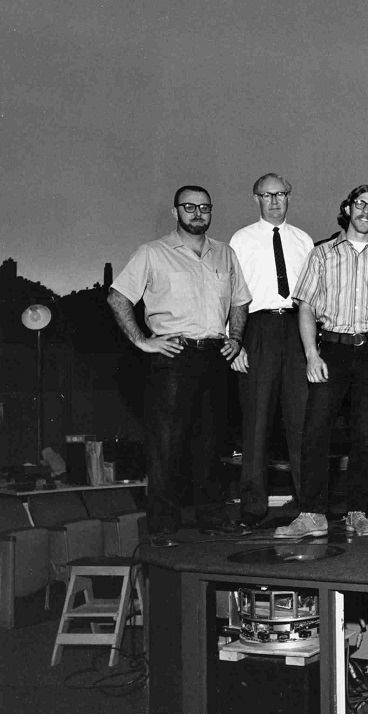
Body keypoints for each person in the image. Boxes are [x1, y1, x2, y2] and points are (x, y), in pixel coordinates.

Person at [108, 185, 251, 535]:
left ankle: (212, 518)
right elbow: (117, 298)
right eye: (189, 207)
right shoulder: (152, 253)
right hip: (173, 356)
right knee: (167, 445)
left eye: (204, 207)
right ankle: (163, 525)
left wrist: (235, 338)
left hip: (215, 356)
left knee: (212, 443)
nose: (197, 213)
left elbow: (240, 300)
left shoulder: (225, 253)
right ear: (175, 212)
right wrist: (142, 340)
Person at [276, 185, 368, 539]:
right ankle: (312, 514)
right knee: (315, 432)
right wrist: (311, 354)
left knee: (365, 436)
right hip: (332, 350)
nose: (366, 211)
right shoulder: (321, 254)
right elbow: (306, 307)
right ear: (348, 208)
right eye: (361, 204)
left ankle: (357, 512)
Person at [229, 173, 314, 529]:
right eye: (267, 195)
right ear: (256, 199)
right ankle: (253, 506)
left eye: (280, 194)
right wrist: (234, 343)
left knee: (303, 420)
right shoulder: (240, 240)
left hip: (297, 329)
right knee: (256, 421)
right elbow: (230, 293)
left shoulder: (303, 240)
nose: (275, 201)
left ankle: (310, 503)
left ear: (289, 197)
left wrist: (313, 346)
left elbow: (313, 294)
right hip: (258, 329)